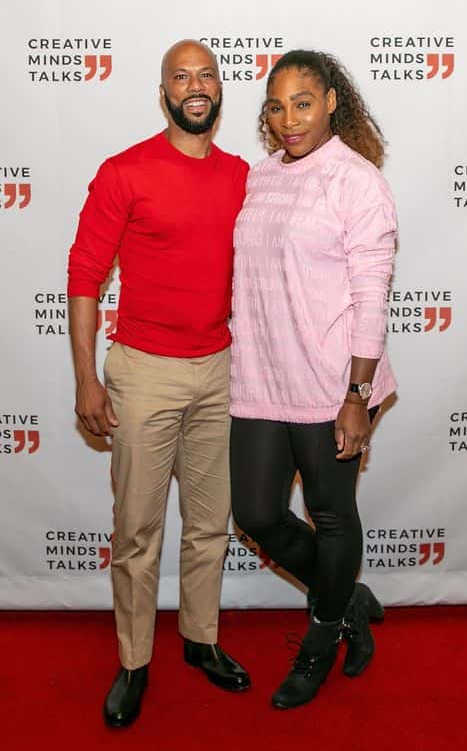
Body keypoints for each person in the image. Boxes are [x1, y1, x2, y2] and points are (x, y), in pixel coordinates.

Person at [67, 39, 250, 728]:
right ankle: (134, 660)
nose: (195, 86)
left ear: (220, 89)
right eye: (182, 76)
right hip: (142, 373)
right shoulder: (125, 171)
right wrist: (87, 379)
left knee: (209, 525)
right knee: (137, 530)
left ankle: (200, 640)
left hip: (221, 370)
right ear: (164, 91)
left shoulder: (242, 176)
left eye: (207, 75)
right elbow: (85, 276)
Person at [230, 49, 397, 709]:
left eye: (303, 102)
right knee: (258, 514)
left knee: (331, 517)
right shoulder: (262, 178)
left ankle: (324, 635)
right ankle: (348, 597)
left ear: (330, 101)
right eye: (276, 105)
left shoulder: (356, 182)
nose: (288, 117)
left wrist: (354, 397)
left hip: (333, 383)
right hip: (263, 376)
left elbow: (372, 295)